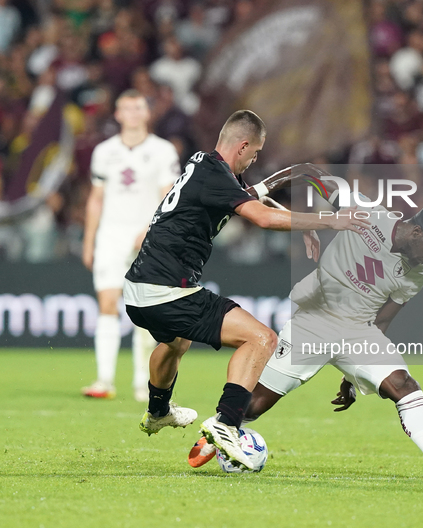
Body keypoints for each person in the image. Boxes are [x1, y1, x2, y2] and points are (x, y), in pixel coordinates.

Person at [188, 181, 423, 481]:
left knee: (404, 385)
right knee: (255, 404)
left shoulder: (418, 273)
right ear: (417, 231)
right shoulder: (369, 214)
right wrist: (273, 193)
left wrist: (354, 376)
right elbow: (317, 176)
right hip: (312, 324)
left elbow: (381, 321)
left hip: (359, 332)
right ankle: (216, 434)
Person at [123, 110, 368, 469]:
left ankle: (158, 411)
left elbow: (252, 198)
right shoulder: (216, 174)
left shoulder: (201, 165)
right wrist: (331, 220)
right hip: (166, 290)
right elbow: (263, 218)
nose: (253, 161)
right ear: (242, 146)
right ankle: (226, 425)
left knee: (176, 341)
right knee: (262, 339)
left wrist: (300, 222)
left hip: (138, 290)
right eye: (253, 154)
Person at [82, 89, 180, 402]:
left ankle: (143, 383)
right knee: (107, 303)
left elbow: (169, 197)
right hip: (110, 235)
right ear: (118, 114)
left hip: (147, 237)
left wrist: (152, 230)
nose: (133, 113)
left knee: (145, 311)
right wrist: (89, 241)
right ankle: (104, 380)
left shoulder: (163, 151)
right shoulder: (104, 151)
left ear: (147, 113)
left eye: (139, 107)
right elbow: (96, 199)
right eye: (127, 108)